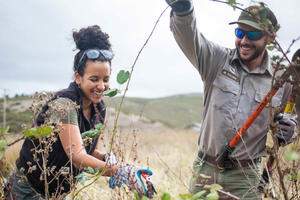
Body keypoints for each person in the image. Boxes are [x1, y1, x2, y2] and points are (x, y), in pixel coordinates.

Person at [164, 1, 298, 199]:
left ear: (270, 38)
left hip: (245, 178)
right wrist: (183, 11)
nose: (244, 40)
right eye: (239, 33)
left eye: (252, 34)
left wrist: (291, 129)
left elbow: (294, 116)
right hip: (205, 171)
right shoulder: (216, 60)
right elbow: (190, 39)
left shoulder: (281, 79)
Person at [4, 25, 153, 199]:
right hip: (28, 189)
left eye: (106, 79)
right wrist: (120, 172)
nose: (101, 86)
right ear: (77, 77)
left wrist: (107, 159)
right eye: (94, 79)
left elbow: (88, 151)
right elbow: (78, 157)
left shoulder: (99, 108)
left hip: (58, 191)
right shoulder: (64, 105)